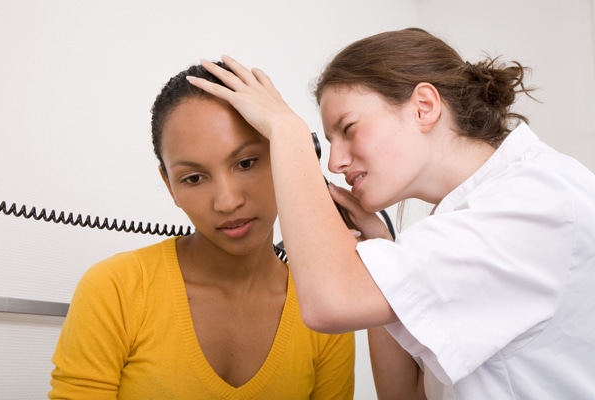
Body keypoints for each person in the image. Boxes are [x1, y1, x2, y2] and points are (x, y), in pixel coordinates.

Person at [187, 28, 595, 399]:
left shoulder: (534, 202)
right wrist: (379, 252)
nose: (335, 162)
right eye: (328, 141)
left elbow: (329, 304)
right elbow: (404, 395)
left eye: (348, 128)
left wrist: (287, 132)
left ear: (423, 106)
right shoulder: (463, 219)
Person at [48, 62, 355, 399]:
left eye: (246, 163)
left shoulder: (324, 309)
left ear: (288, 155)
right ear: (169, 185)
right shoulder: (115, 290)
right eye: (193, 178)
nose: (227, 202)